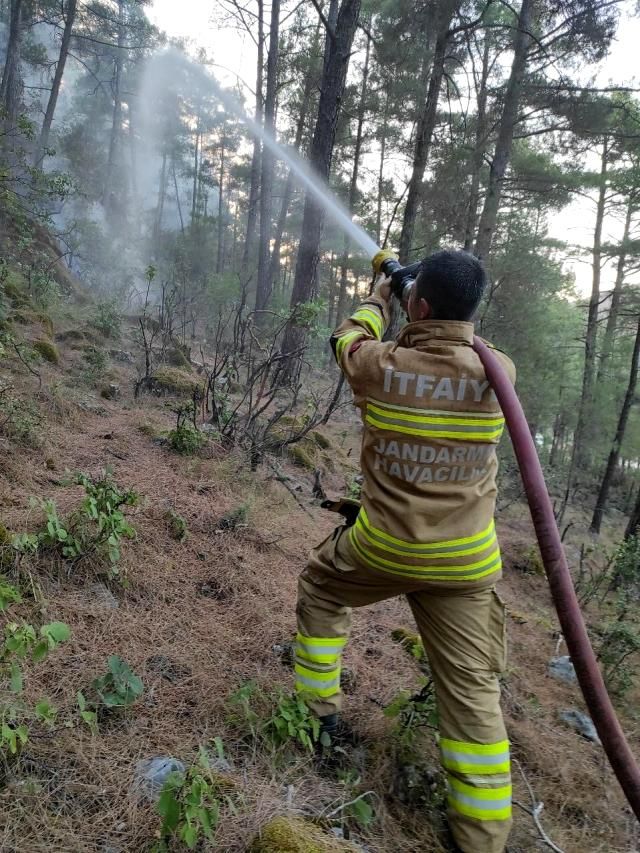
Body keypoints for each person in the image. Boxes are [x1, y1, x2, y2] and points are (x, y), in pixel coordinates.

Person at [293, 249, 516, 853]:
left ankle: (317, 715)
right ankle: (483, 837)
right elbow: (460, 339)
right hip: (466, 564)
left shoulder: (380, 364)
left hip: (384, 547)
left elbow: (345, 338)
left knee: (319, 587)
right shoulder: (502, 373)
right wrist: (434, 305)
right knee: (472, 692)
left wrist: (381, 295)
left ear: (418, 307)